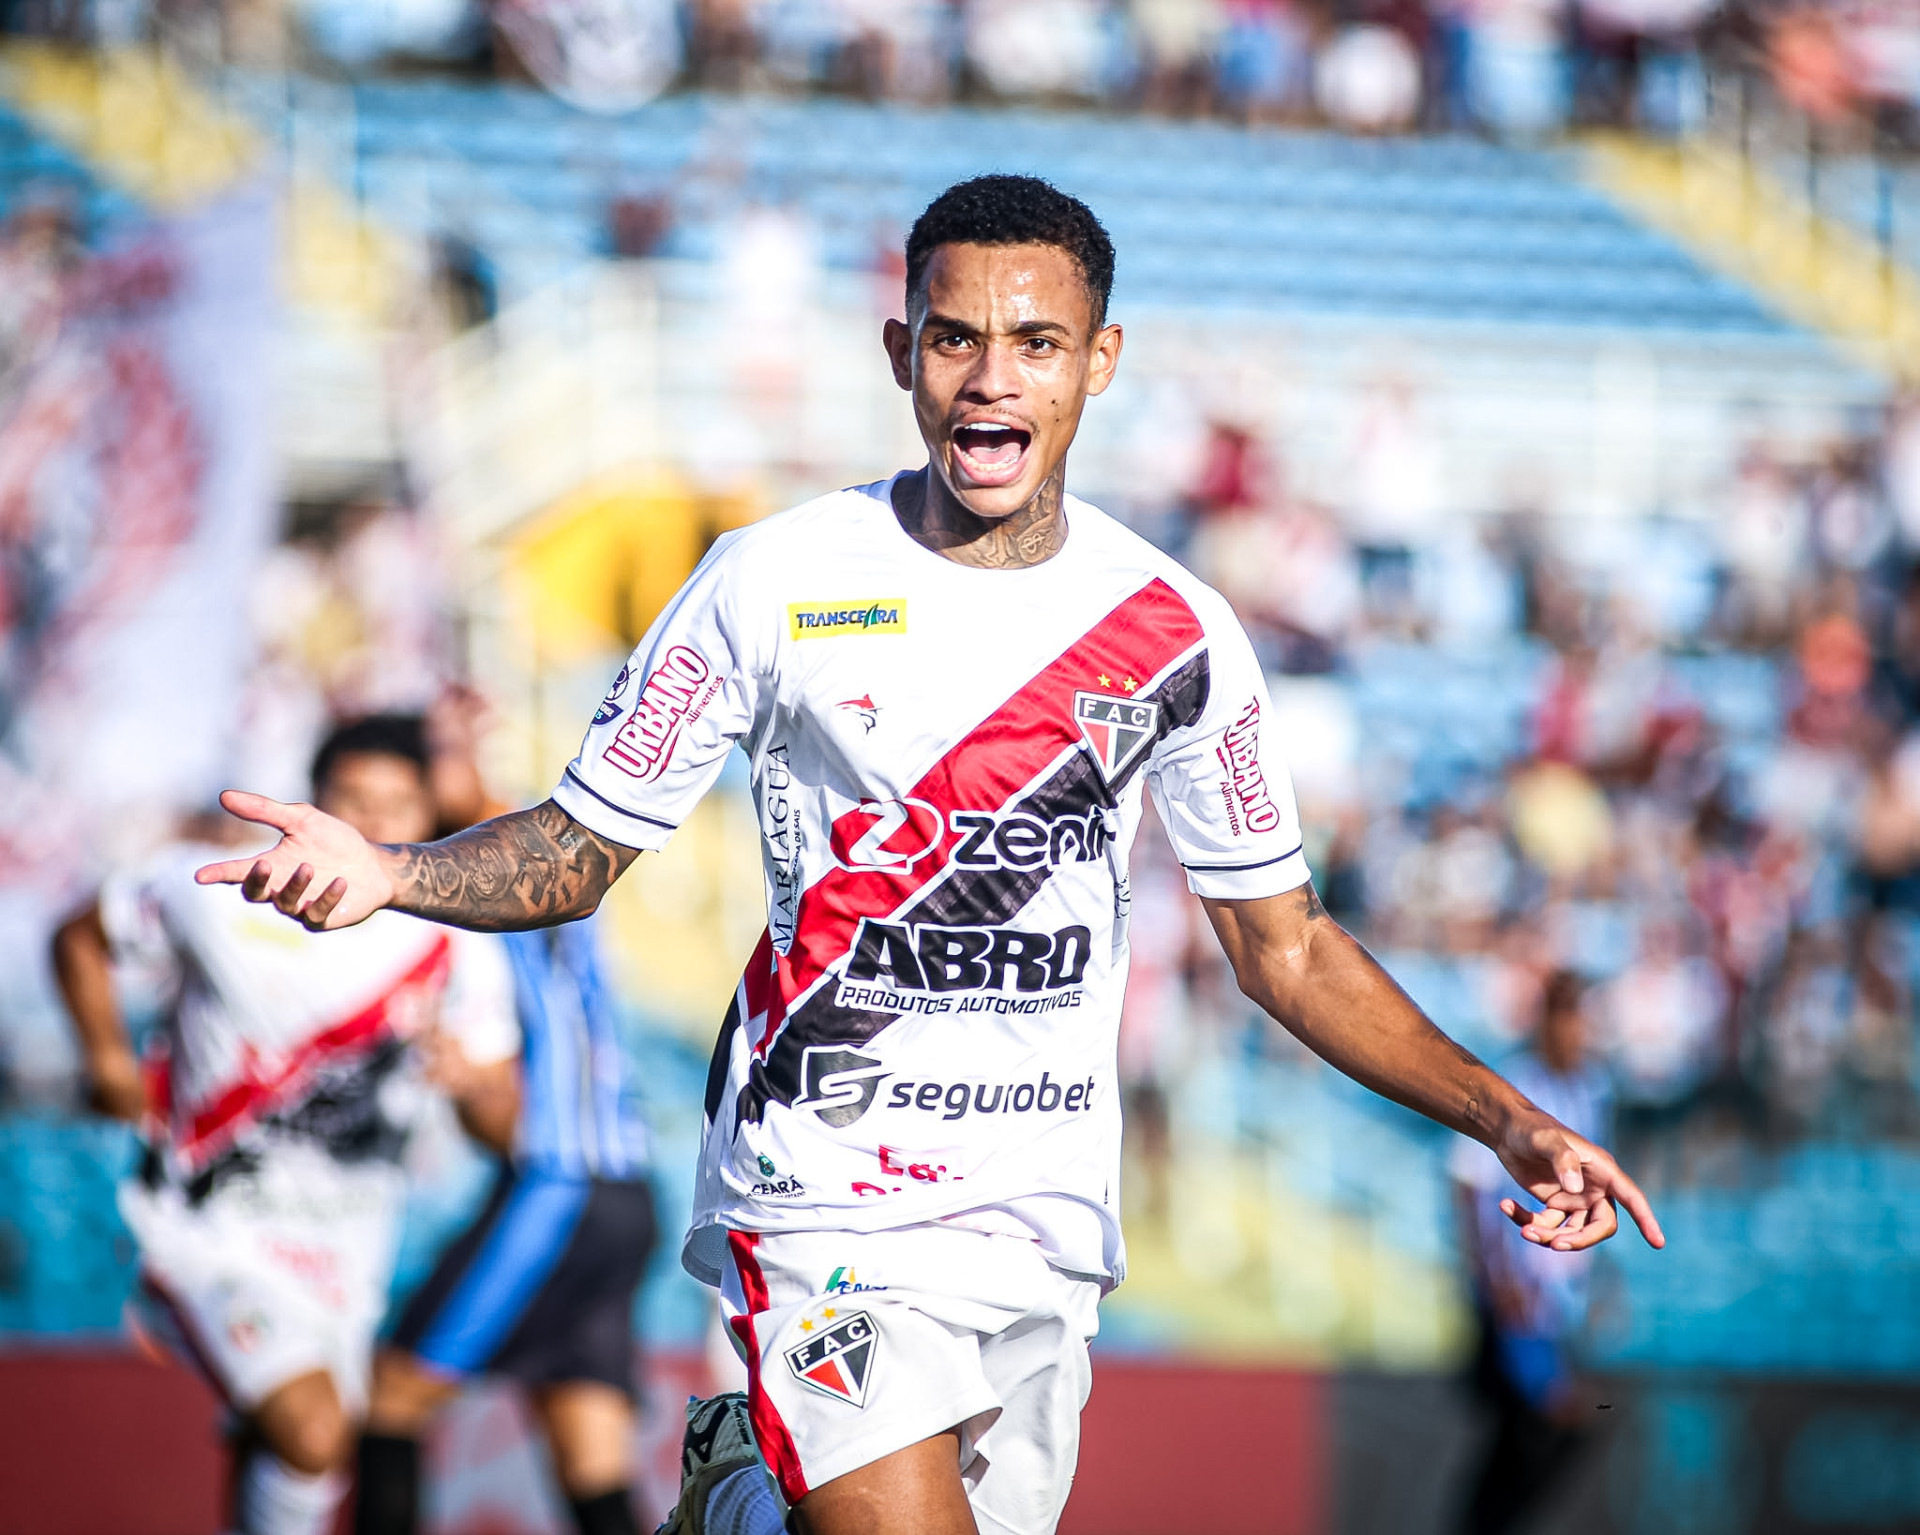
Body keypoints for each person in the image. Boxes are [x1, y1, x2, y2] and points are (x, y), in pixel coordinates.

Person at [197, 175, 1665, 1535]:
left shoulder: (1176, 630)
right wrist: (397, 869)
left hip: (1039, 1216)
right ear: (902, 348)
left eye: (1036, 342)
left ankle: (740, 1507)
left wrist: (1505, 1117)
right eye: (955, 338)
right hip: (824, 1186)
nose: (990, 377)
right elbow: (582, 847)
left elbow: (1283, 947)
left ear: (1100, 361)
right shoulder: (774, 582)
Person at [53, 715, 522, 1535]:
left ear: (425, 818)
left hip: (347, 1254)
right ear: (314, 805)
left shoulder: (456, 944)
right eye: (353, 799)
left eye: (397, 804)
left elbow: (502, 1125)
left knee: (286, 1445)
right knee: (314, 1432)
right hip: (203, 1228)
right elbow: (80, 934)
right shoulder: (222, 891)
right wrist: (107, 1059)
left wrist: (471, 1086)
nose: (374, 823)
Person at [354, 917, 658, 1535]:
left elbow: (507, 1111)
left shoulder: (479, 905)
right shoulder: (571, 887)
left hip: (558, 1188)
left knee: (393, 1396)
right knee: (589, 1451)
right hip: (627, 1194)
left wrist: (470, 1086)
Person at [1449, 970, 1612, 1535]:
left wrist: (1605, 1279)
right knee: (1555, 1419)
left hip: (1559, 1294)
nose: (1576, 1032)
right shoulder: (1516, 1086)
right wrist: (1492, 1276)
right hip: (1519, 1291)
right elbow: (1468, 1183)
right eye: (1567, 1018)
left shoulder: (1593, 1090)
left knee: (1529, 1433)